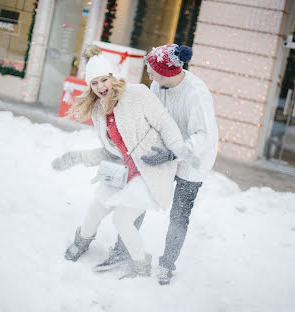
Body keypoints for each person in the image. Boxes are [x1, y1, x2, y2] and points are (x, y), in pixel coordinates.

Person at [51, 45, 197, 279]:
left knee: (122, 219)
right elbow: (112, 152)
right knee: (96, 207)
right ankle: (82, 242)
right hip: (124, 170)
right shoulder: (100, 111)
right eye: (94, 83)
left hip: (152, 170)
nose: (100, 87)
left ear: (112, 77)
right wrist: (77, 157)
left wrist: (177, 150)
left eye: (103, 80)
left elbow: (166, 124)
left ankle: (140, 265)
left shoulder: (137, 94)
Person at [94, 44, 218, 285]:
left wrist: (174, 154)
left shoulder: (196, 94)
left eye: (152, 70)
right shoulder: (156, 86)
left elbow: (205, 136)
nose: (148, 74)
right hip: (161, 151)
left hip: (194, 159)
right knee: (138, 197)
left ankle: (167, 264)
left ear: (167, 72)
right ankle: (123, 252)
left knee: (179, 213)